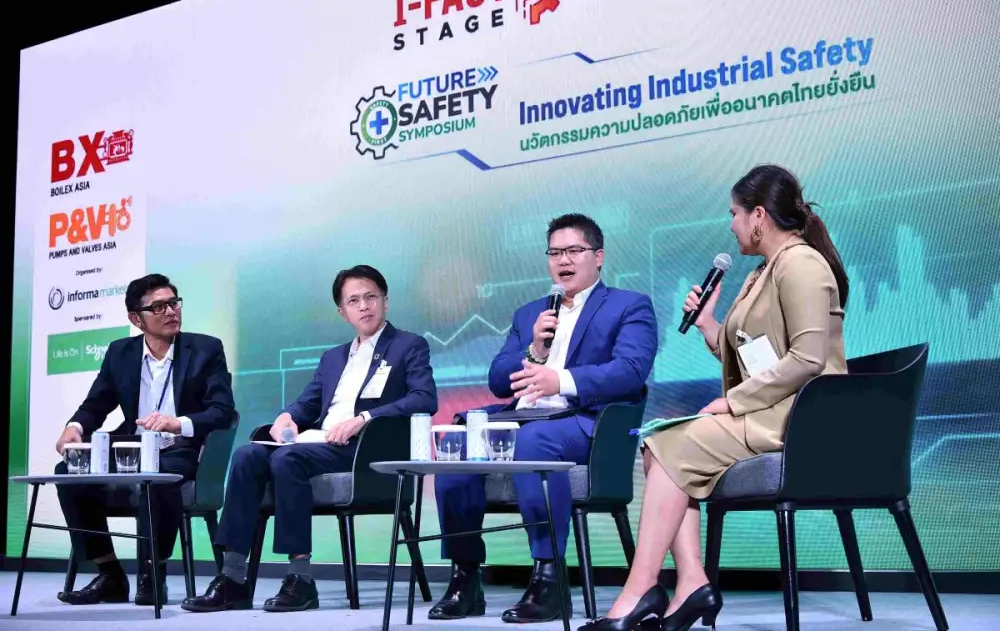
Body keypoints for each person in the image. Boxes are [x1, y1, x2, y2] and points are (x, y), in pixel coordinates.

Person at [584, 164, 849, 631]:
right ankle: (690, 582)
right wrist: (709, 323)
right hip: (771, 411)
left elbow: (807, 358)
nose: (731, 225)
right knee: (658, 446)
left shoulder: (802, 264)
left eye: (734, 214)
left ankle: (641, 588)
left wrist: (734, 401)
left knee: (667, 445)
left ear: (758, 216)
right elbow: (758, 357)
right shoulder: (764, 271)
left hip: (800, 421)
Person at [430, 214, 658, 624]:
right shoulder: (530, 314)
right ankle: (465, 578)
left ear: (598, 256)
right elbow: (498, 380)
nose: (563, 260)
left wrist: (560, 379)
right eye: (555, 253)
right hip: (524, 418)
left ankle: (549, 579)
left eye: (574, 251)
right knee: (458, 446)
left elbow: (630, 371)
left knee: (534, 442)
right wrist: (534, 351)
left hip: (587, 424)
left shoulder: (629, 305)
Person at [181, 264, 437, 613]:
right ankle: (232, 578)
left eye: (371, 297)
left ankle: (300, 578)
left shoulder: (408, 345)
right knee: (247, 455)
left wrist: (363, 419)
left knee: (288, 459)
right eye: (353, 301)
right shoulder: (333, 358)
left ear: (385, 301)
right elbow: (307, 404)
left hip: (366, 450)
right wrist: (286, 417)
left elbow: (424, 398)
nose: (364, 306)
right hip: (322, 445)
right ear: (342, 312)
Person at [54, 273, 237, 606]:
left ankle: (153, 574)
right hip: (132, 448)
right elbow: (96, 403)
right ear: (136, 319)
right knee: (69, 471)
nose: (170, 312)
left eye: (173, 303)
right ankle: (109, 572)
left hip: (179, 449)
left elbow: (223, 411)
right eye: (158, 307)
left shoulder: (205, 349)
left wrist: (178, 424)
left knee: (158, 477)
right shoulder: (120, 353)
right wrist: (74, 427)